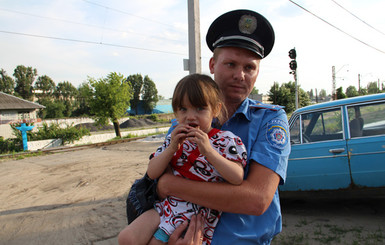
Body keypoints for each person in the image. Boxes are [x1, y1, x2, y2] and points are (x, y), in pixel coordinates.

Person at [156, 9, 291, 245]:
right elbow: (156, 185)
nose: (240, 75)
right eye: (230, 64)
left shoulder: (269, 120)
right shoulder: (184, 122)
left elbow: (256, 200)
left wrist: (171, 185)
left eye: (249, 67)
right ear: (212, 64)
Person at [118, 73, 247, 245]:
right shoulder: (175, 138)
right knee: (126, 238)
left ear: (215, 109)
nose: (190, 116)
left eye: (200, 108)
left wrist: (209, 152)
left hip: (195, 218)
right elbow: (152, 171)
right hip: (165, 208)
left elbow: (237, 177)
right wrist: (171, 148)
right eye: (183, 109)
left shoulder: (226, 140)